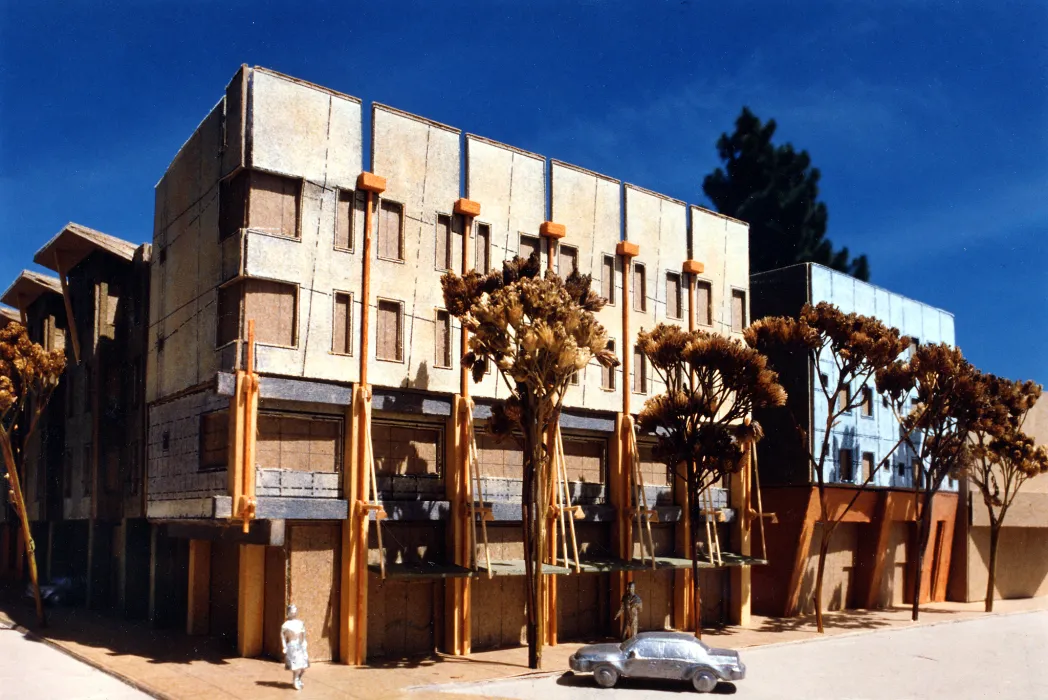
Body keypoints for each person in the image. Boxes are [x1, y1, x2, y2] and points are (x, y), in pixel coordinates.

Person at [281, 604, 309, 690]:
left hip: (300, 646)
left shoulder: (300, 623)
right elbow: (282, 637)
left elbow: (303, 634)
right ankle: (295, 680)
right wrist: (284, 646)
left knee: (304, 667)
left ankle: (298, 678)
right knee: (296, 666)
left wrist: (304, 642)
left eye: (294, 611)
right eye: (291, 611)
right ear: (288, 613)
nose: (293, 613)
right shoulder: (285, 625)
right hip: (292, 646)